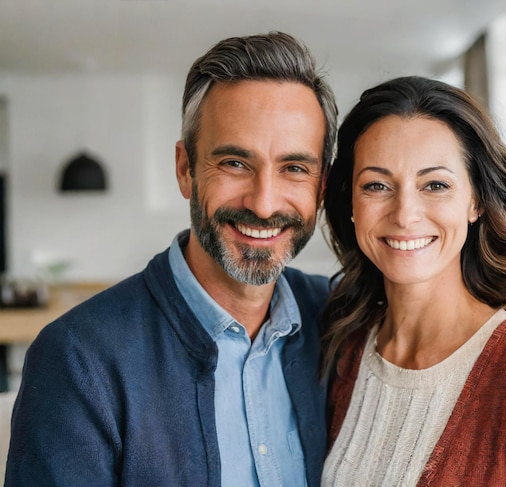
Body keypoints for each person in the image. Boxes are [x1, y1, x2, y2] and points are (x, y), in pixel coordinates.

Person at [6, 31, 337, 486]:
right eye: (235, 164)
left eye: (294, 168)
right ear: (185, 169)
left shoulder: (339, 320)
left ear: (321, 188)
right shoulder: (79, 359)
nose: (263, 203)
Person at [321, 76, 506, 486]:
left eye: (435, 185)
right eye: (377, 185)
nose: (405, 214)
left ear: (475, 200)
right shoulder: (345, 348)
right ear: (350, 202)